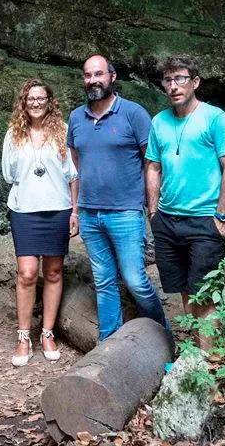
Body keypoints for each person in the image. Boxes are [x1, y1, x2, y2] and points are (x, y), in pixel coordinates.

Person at [67, 55, 171, 342]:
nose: (93, 80)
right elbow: (77, 159)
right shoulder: (76, 117)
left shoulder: (133, 113)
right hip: (89, 213)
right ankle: (107, 344)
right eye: (88, 75)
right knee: (104, 282)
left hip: (125, 212)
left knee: (136, 281)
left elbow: (151, 161)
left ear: (112, 76)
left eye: (98, 74)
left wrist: (148, 205)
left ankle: (164, 338)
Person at [145, 56, 225, 350]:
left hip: (204, 220)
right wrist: (153, 211)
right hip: (168, 221)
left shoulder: (215, 119)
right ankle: (195, 359)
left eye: (181, 79)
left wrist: (221, 216)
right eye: (168, 80)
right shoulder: (159, 121)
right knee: (185, 291)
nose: (174, 86)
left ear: (195, 82)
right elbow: (152, 167)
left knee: (205, 295)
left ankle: (208, 370)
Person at [1, 81, 78, 366]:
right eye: (30, 98)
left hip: (58, 208)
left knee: (55, 272)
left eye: (41, 98)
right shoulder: (14, 134)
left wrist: (75, 211)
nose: (35, 102)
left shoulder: (64, 131)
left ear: (49, 101)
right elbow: (8, 174)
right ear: (24, 102)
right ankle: (23, 337)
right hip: (25, 210)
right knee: (27, 272)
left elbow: (73, 175)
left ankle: (47, 333)